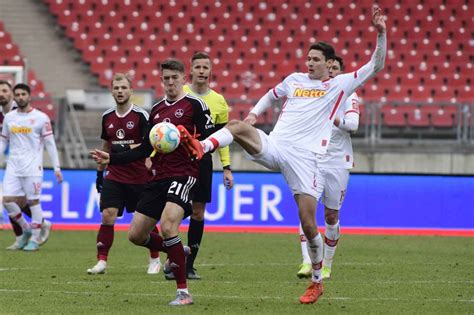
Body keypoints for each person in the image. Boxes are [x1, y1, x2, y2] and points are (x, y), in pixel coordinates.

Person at [179, 6, 386, 304]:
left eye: (316, 59)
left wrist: (381, 32)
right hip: (277, 146)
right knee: (236, 126)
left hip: (307, 160)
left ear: (330, 64)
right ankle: (201, 147)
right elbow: (271, 94)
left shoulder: (340, 84)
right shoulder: (295, 80)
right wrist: (253, 114)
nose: (309, 63)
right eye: (308, 58)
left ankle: (317, 280)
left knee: (308, 223)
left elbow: (376, 64)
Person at [91, 58, 215, 306]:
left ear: (183, 79)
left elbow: (212, 140)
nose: (170, 82)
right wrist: (112, 158)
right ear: (162, 81)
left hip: (185, 174)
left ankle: (183, 292)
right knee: (136, 235)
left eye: (174, 78)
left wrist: (192, 143)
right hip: (158, 176)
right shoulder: (157, 111)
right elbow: (144, 148)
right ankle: (177, 250)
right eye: (166, 78)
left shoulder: (195, 105)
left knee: (169, 226)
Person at [164, 52, 234, 281]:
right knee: (172, 209)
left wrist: (226, 166)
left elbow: (223, 136)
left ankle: (189, 264)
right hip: (175, 161)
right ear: (190, 72)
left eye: (206, 66)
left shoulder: (219, 101)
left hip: (202, 160)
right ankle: (172, 255)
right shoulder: (180, 96)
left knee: (197, 211)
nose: (202, 71)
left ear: (210, 71)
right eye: (198, 67)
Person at [87, 73, 161, 275]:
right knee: (107, 216)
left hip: (139, 177)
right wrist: (99, 174)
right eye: (116, 88)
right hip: (115, 175)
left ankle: (154, 259)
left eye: (123, 88)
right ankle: (101, 261)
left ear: (131, 91)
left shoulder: (141, 116)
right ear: (112, 91)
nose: (119, 91)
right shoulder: (107, 117)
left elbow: (147, 145)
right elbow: (106, 145)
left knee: (145, 221)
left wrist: (126, 151)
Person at [297, 55, 360, 279]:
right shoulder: (312, 93)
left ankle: (327, 266)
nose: (331, 71)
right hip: (313, 159)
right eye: (329, 67)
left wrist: (335, 120)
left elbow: (353, 125)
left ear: (342, 72)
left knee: (331, 215)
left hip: (337, 162)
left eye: (335, 68)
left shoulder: (349, 95)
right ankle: (307, 262)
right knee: (307, 211)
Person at [0, 83, 63, 251]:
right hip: (13, 166)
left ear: (29, 96)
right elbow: (3, 140)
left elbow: (50, 144)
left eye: (23, 94)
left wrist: (57, 167)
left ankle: (34, 240)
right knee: (7, 201)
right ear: (15, 97)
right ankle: (26, 229)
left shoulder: (41, 117)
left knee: (33, 202)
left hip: (33, 167)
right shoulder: (9, 118)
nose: (20, 97)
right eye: (17, 94)